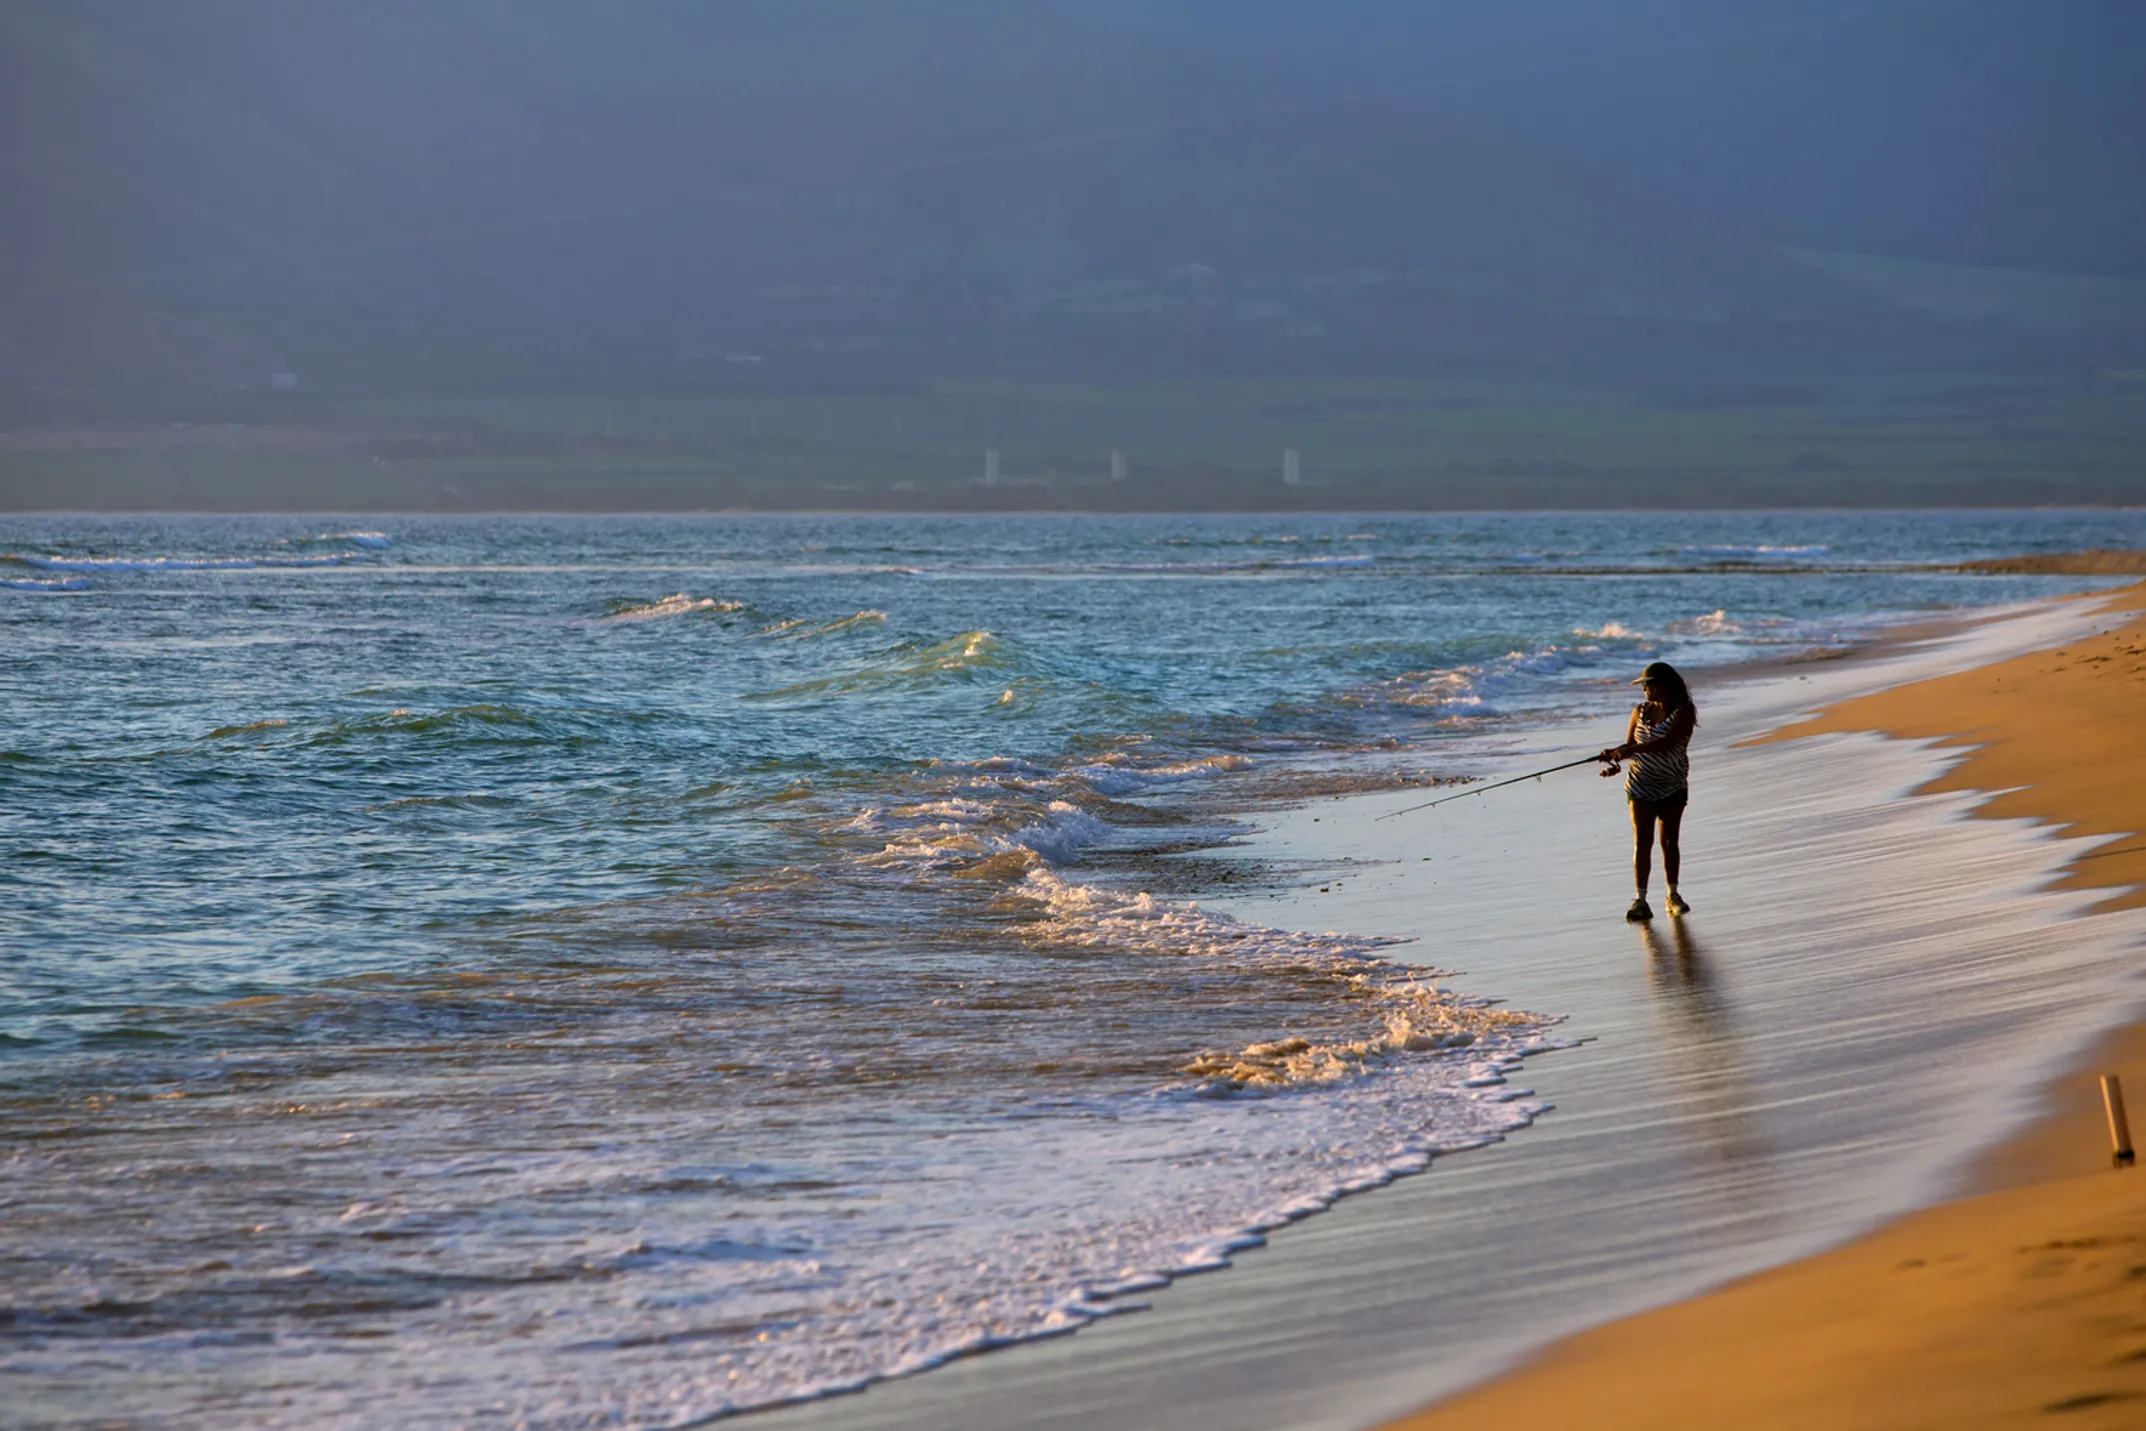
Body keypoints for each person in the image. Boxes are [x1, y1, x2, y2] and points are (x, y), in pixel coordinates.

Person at [1597, 660, 1696, 922]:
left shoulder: (1684, 711)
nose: (1645, 690)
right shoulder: (1639, 711)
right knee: (1643, 841)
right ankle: (1640, 901)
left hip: (1672, 784)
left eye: (1648, 685)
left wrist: (1631, 750)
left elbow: (1667, 743)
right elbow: (1630, 744)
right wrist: (1614, 757)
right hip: (1640, 784)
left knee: (1668, 841)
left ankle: (1672, 896)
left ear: (1663, 685)